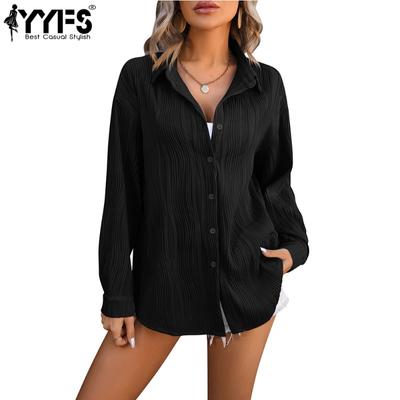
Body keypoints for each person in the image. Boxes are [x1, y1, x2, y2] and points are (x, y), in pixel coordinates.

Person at [77, 1, 309, 399]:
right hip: (161, 284)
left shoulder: (267, 84)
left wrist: (293, 247)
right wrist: (117, 295)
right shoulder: (140, 78)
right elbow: (122, 191)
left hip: (244, 281)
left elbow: (274, 181)